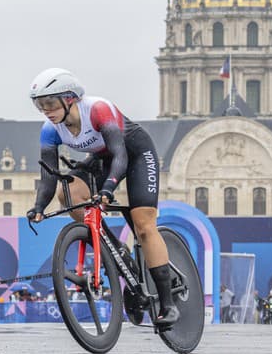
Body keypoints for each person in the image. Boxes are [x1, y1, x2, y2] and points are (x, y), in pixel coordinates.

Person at [27, 68, 179, 327]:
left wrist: (108, 188)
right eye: (40, 105)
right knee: (70, 193)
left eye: (50, 103)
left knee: (143, 224)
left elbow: (120, 155)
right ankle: (114, 249)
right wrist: (39, 206)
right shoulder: (50, 130)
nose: (46, 111)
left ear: (70, 98)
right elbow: (48, 177)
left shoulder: (97, 110)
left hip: (135, 154)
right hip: (101, 159)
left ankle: (167, 303)